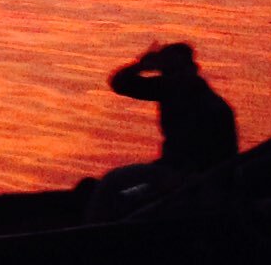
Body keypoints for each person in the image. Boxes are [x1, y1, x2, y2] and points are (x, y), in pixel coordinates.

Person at [90, 42, 238, 217]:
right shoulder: (170, 89)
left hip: (192, 177)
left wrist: (194, 177)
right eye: (167, 70)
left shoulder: (208, 104)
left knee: (115, 185)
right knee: (110, 186)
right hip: (172, 171)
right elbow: (120, 83)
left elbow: (223, 155)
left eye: (175, 70)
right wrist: (141, 66)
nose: (171, 75)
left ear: (190, 69)